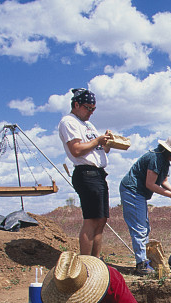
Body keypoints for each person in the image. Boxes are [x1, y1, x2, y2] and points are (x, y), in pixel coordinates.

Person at [119, 137, 171, 275]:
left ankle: (146, 260)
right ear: (168, 150)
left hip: (140, 194)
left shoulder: (164, 160)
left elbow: (163, 180)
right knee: (139, 228)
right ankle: (142, 264)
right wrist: (170, 195)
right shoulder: (155, 158)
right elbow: (150, 184)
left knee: (145, 227)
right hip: (132, 191)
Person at [58, 88, 112, 257]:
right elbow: (76, 150)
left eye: (93, 109)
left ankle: (96, 262)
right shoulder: (69, 122)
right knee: (91, 220)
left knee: (101, 220)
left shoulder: (88, 124)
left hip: (98, 174)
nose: (90, 112)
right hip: (86, 173)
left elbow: (104, 149)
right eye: (88, 108)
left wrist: (107, 141)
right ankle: (86, 262)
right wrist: (97, 140)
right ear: (76, 104)